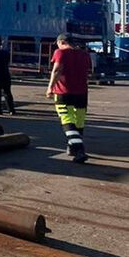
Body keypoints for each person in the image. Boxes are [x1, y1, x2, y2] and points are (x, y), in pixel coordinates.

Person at [46, 34, 91, 163]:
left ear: (61, 42)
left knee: (67, 121)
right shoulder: (84, 54)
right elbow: (88, 71)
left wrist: (50, 87)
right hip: (82, 93)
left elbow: (57, 70)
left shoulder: (60, 52)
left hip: (63, 92)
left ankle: (80, 150)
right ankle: (72, 147)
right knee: (79, 121)